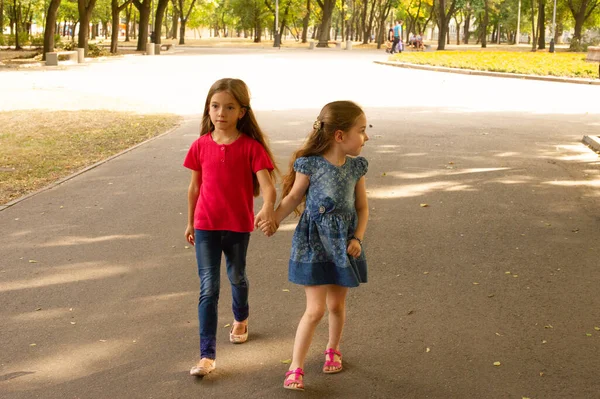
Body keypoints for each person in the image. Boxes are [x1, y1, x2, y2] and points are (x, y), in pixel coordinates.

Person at [258, 101, 370, 391]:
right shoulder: (311, 164)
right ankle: (296, 366)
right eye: (362, 130)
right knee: (315, 310)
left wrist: (357, 237)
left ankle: (333, 348)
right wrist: (274, 220)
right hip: (314, 244)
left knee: (336, 304)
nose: (366, 137)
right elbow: (294, 198)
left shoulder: (356, 168)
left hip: (343, 245)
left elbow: (363, 208)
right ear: (340, 135)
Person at [184, 78, 277, 376]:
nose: (220, 112)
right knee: (208, 288)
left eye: (229, 107)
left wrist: (266, 209)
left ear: (242, 112)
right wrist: (190, 221)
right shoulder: (200, 146)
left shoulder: (251, 148)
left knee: (237, 275)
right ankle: (206, 356)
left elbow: (267, 185)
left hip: (237, 226)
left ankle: (241, 317)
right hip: (205, 226)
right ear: (207, 109)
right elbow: (194, 188)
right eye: (215, 106)